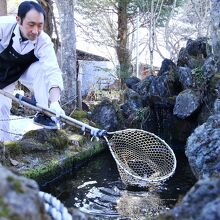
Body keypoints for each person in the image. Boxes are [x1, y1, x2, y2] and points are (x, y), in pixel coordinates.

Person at [0, 1, 65, 142]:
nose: (35, 31)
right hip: (2, 72)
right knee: (2, 106)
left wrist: (55, 102)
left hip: (22, 71)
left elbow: (52, 71)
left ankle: (45, 113)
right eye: (31, 24)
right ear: (18, 19)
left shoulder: (44, 41)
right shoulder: (3, 26)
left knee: (42, 69)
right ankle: (3, 144)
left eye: (40, 25)